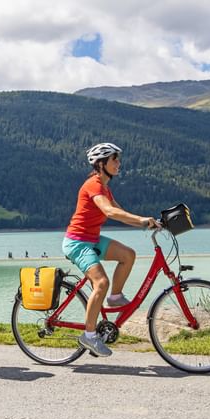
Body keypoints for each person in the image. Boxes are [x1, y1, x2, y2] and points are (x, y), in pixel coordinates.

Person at [62, 142, 160, 357]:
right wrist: (142, 220)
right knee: (101, 282)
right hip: (77, 242)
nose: (119, 163)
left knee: (128, 255)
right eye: (114, 160)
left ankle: (115, 297)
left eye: (117, 159)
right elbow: (109, 211)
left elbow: (119, 211)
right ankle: (88, 336)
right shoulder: (93, 185)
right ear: (101, 163)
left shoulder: (105, 186)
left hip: (93, 239)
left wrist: (149, 222)